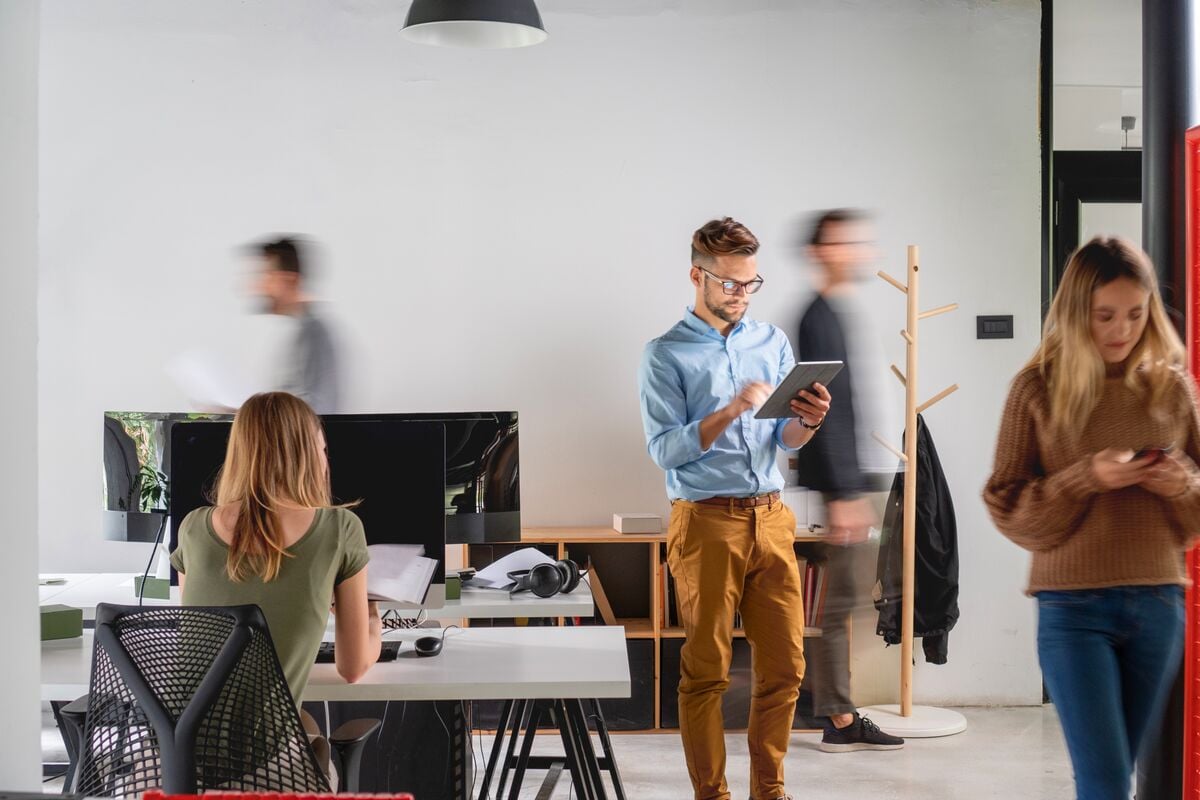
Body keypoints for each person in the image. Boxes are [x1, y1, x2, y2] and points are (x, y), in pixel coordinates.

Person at [984, 236, 1200, 799]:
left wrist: (1181, 485)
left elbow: (1195, 522)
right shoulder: (1036, 389)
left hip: (1158, 603)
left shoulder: (1174, 390)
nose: (1121, 330)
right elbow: (1008, 508)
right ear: (1076, 311)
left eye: (1135, 314)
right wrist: (1086, 479)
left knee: (1116, 780)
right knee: (1105, 781)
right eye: (1105, 315)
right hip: (1073, 610)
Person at [639, 217, 832, 800]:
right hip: (705, 522)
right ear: (697, 275)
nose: (741, 296)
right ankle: (712, 795)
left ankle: (768, 792)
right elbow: (664, 450)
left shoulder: (771, 343)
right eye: (729, 284)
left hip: (772, 518)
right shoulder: (665, 353)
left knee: (786, 669)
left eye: (750, 284)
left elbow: (784, 442)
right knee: (706, 673)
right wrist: (727, 411)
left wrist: (807, 422)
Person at [170, 391, 381, 702]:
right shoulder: (341, 528)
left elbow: (202, 638)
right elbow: (352, 668)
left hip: (174, 745)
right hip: (267, 750)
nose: (326, 459)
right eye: (322, 448)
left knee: (304, 725)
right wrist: (373, 625)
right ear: (307, 454)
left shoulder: (192, 527)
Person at [793, 209, 904, 752]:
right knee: (840, 605)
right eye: (844, 242)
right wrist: (844, 496)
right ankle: (837, 717)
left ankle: (838, 710)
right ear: (819, 251)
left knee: (851, 601)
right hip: (849, 484)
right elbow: (825, 410)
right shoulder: (818, 316)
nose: (858, 249)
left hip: (862, 475)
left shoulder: (838, 310)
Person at [250, 236, 342, 413]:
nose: (260, 286)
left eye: (267, 276)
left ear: (290, 280)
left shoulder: (312, 334)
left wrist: (251, 413)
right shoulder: (297, 331)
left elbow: (312, 409)